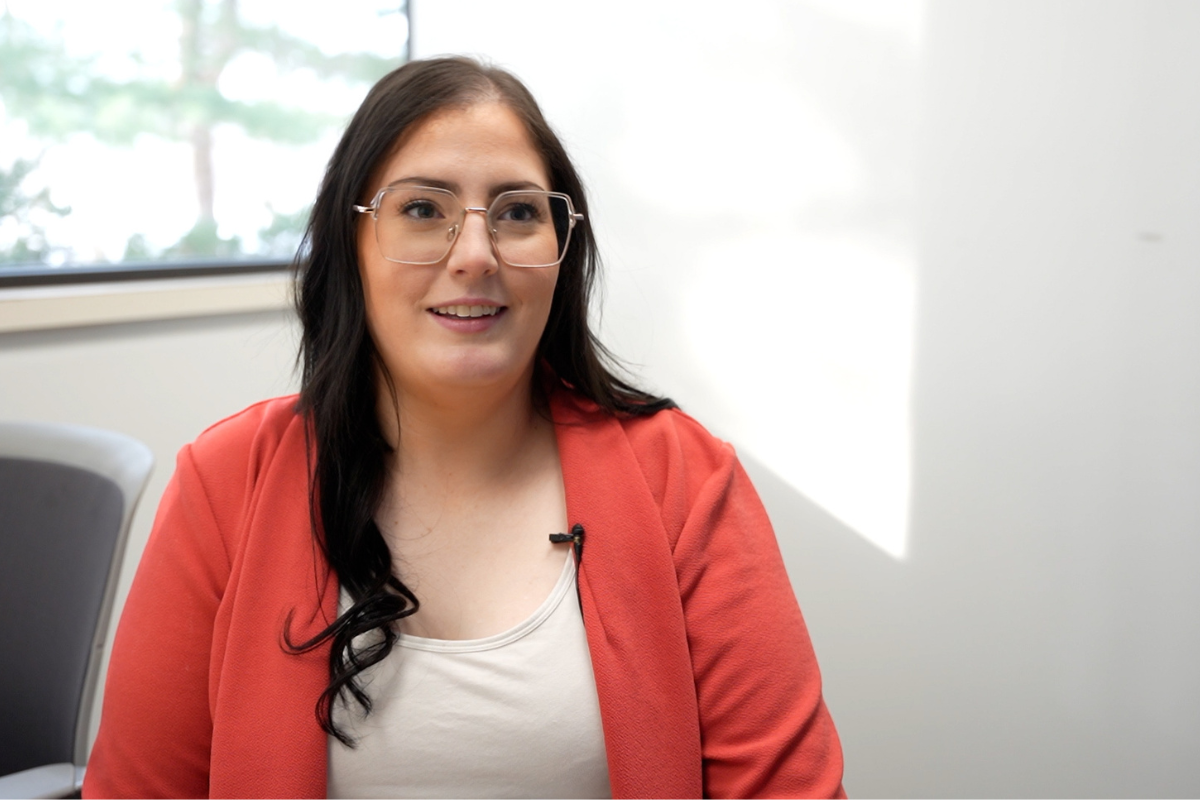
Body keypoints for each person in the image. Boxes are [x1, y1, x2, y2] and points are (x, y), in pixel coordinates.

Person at [82, 56, 845, 799]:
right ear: (350, 246)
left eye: (516, 212)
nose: (475, 256)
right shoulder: (226, 480)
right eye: (422, 210)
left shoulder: (685, 478)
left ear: (560, 250)